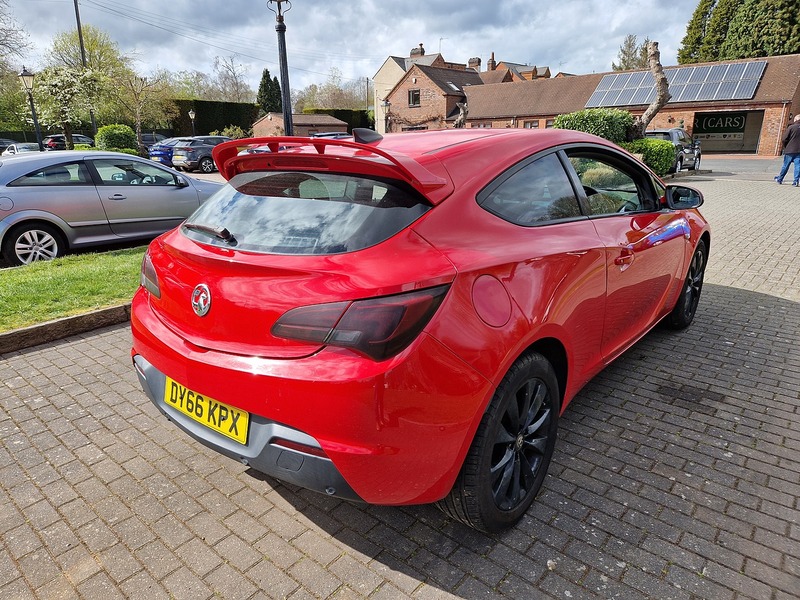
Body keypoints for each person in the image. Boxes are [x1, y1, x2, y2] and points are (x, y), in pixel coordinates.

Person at [775, 114, 800, 186]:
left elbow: (784, 139)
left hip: (790, 150)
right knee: (798, 166)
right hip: (799, 151)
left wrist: (786, 146)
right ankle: (796, 181)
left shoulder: (791, 127)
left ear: (795, 119)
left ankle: (780, 179)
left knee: (785, 165)